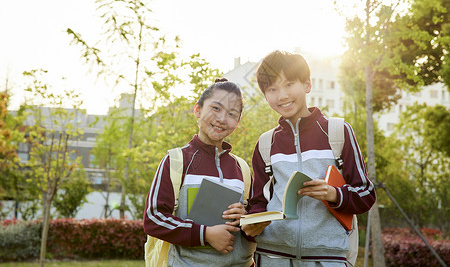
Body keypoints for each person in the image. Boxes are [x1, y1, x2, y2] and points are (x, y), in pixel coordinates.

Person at [242, 50, 376, 266]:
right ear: (265, 96)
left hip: (326, 257)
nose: (282, 95)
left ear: (307, 85)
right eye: (272, 89)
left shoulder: (338, 132)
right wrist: (252, 223)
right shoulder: (266, 144)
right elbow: (259, 202)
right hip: (271, 257)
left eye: (288, 84)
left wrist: (333, 194)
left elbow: (366, 194)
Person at [143, 78, 256, 267]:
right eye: (216, 108)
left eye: (231, 113)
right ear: (198, 109)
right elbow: (154, 219)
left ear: (237, 122)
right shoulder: (176, 161)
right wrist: (205, 234)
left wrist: (245, 217)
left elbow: (256, 223)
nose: (221, 119)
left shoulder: (242, 168)